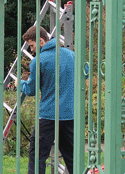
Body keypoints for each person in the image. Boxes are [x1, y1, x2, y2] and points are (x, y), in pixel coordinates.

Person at [18, 26, 75, 174]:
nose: (31, 50)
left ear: (41, 41)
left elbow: (31, 90)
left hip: (48, 116)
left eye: (32, 45)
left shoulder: (39, 61)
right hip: (69, 114)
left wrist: (21, 83)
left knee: (37, 156)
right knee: (72, 158)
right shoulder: (71, 55)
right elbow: (85, 72)